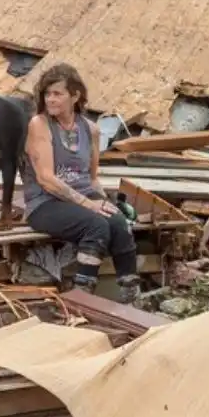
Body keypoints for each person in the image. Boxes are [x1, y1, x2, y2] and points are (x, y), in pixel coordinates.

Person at [23, 63, 139, 302]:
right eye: (47, 94)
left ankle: (131, 293)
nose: (50, 99)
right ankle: (83, 295)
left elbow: (92, 178)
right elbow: (46, 179)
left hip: (83, 197)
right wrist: (88, 204)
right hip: (46, 203)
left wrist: (106, 202)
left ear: (75, 96)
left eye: (57, 94)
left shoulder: (91, 129)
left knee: (119, 223)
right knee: (96, 226)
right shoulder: (39, 124)